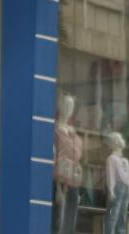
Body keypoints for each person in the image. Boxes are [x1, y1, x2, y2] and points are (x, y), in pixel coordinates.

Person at [53, 95, 83, 234]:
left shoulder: (74, 133)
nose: (68, 109)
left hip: (74, 181)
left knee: (71, 222)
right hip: (60, 181)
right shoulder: (55, 130)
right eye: (66, 105)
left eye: (71, 106)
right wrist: (58, 187)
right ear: (60, 106)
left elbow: (78, 158)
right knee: (58, 221)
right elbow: (54, 157)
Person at [104, 132, 129, 234]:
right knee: (113, 215)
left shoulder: (125, 161)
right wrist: (111, 190)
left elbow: (128, 179)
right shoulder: (111, 158)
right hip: (117, 188)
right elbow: (110, 175)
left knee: (122, 215)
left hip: (124, 189)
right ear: (115, 142)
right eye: (120, 138)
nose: (122, 140)